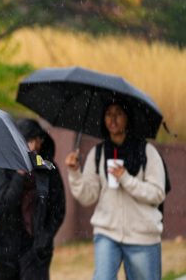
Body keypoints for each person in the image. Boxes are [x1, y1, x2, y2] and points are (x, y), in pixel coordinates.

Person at [65, 101, 165, 280]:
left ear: (128, 118)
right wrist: (74, 173)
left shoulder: (147, 152)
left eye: (118, 113)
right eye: (108, 114)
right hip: (107, 233)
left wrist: (126, 179)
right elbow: (88, 196)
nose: (112, 118)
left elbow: (157, 193)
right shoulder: (98, 153)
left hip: (142, 237)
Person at [0, 119, 66, 280]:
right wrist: (20, 172)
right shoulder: (4, 167)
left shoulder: (49, 170)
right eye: (24, 142)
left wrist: (45, 237)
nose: (28, 147)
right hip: (5, 246)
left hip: (35, 247)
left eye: (32, 141)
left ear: (40, 141)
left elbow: (58, 209)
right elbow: (6, 203)